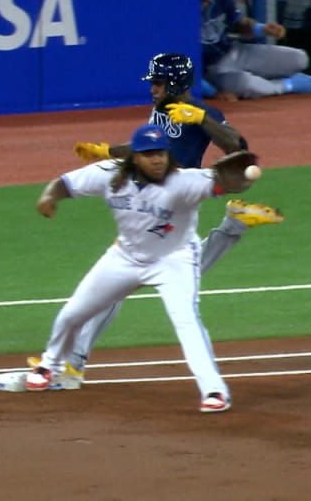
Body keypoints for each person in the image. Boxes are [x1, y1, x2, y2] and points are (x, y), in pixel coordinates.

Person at [27, 52, 282, 387]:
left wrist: (201, 116)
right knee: (139, 276)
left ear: (176, 83)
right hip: (152, 200)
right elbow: (147, 150)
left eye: (159, 82)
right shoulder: (161, 111)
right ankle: (233, 226)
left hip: (178, 200)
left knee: (141, 274)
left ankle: (74, 361)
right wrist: (109, 153)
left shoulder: (201, 113)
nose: (153, 88)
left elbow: (238, 146)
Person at [27, 122, 255, 413]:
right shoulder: (110, 175)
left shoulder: (185, 181)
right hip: (125, 258)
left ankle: (214, 391)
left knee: (187, 322)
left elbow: (220, 183)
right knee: (74, 312)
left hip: (174, 260)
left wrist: (236, 181)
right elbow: (65, 184)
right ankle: (50, 365)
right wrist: (48, 197)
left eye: (161, 152)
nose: (157, 159)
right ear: (134, 157)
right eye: (149, 154)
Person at [200, 0, 311, 101]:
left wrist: (263, 29)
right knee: (247, 84)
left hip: (234, 52)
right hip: (211, 72)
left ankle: (267, 80)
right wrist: (212, 93)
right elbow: (182, 68)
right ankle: (288, 84)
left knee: (300, 58)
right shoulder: (180, 11)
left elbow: (240, 23)